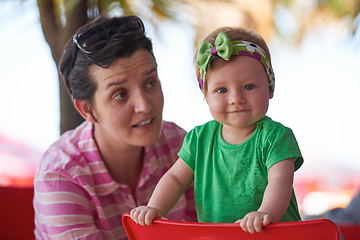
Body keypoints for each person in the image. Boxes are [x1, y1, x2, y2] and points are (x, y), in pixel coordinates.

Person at [33, 15, 197, 240]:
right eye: (120, 94)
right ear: (86, 110)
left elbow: (206, 229)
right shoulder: (61, 174)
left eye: (151, 82)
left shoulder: (178, 143)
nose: (145, 105)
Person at [130, 27, 304, 234]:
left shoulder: (275, 137)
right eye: (222, 90)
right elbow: (175, 179)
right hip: (220, 235)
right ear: (206, 96)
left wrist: (265, 212)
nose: (236, 98)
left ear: (270, 87)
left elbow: (280, 180)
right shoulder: (199, 139)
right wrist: (155, 207)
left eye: (249, 86)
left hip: (274, 235)